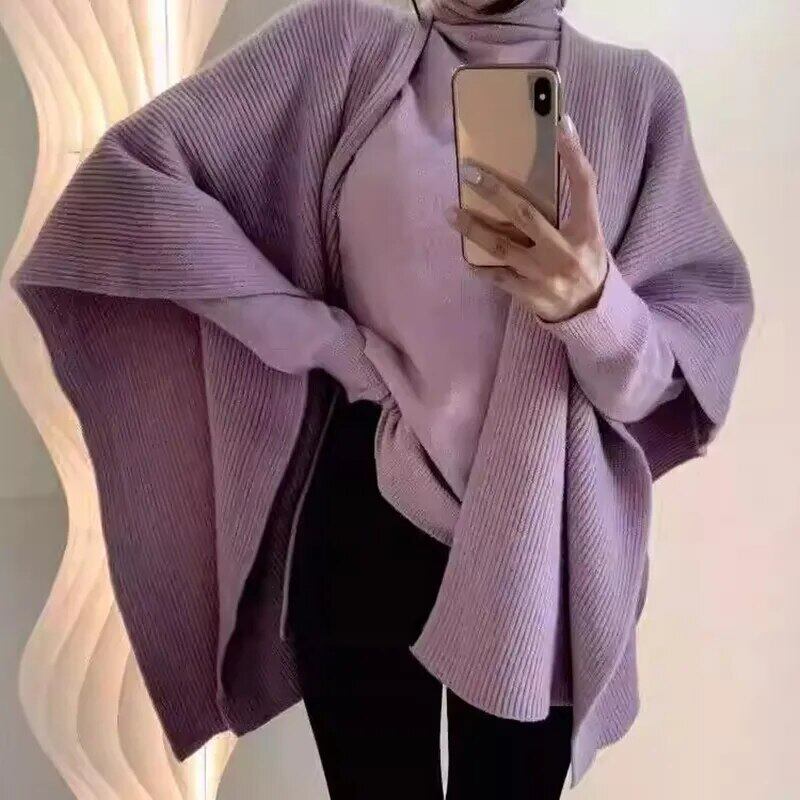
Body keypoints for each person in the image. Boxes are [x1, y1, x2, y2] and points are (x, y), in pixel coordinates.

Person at [11, 0, 753, 797]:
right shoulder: (338, 47)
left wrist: (591, 304)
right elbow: (130, 181)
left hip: (543, 540)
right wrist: (331, 343)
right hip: (365, 513)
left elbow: (653, 388)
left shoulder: (635, 97)